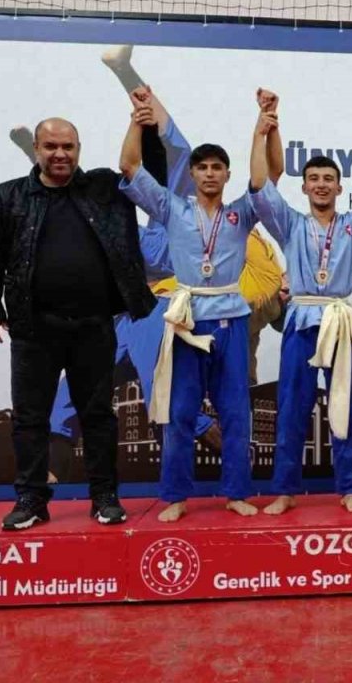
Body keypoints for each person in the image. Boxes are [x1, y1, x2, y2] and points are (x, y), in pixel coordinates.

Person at [0, 117, 155, 530]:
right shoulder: (8, 196)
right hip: (32, 328)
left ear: (79, 150)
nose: (60, 154)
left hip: (94, 325)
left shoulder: (104, 189)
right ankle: (31, 499)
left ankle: (104, 497)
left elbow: (148, 169)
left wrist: (143, 124)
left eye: (68, 147)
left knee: (98, 416)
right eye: (51, 146)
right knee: (29, 418)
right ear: (36, 150)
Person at [118, 87, 277, 520]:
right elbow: (130, 166)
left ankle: (236, 492)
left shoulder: (241, 213)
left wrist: (261, 129)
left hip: (231, 321)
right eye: (202, 167)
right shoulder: (172, 209)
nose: (209, 174)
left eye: (217, 168)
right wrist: (137, 119)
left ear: (226, 175)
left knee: (236, 413)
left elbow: (264, 180)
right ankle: (175, 496)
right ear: (192, 173)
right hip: (187, 323)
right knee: (179, 411)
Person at [251, 99, 352, 515]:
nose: (321, 185)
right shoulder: (290, 224)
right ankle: (285, 491)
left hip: (338, 321)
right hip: (301, 320)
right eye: (313, 179)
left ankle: (349, 488)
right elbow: (260, 187)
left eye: (328, 179)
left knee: (346, 407)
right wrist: (262, 129)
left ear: (339, 188)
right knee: (292, 408)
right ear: (303, 187)